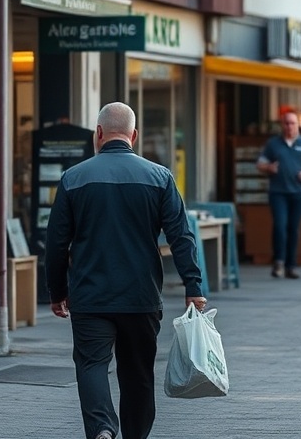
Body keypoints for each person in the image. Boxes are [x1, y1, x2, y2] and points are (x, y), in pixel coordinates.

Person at [44, 102, 207, 439]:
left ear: (98, 134)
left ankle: (103, 428)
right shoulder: (160, 177)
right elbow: (181, 236)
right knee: (137, 374)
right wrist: (194, 285)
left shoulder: (73, 178)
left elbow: (57, 243)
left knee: (91, 365)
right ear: (134, 135)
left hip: (90, 297)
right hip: (141, 296)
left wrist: (57, 291)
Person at [257, 108, 301, 279]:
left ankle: (291, 265)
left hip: (298, 192)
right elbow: (260, 164)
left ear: (298, 125)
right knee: (280, 226)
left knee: (293, 228)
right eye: (286, 123)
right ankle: (278, 261)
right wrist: (269, 167)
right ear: (282, 125)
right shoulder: (273, 144)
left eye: (292, 123)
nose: (289, 126)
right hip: (278, 192)